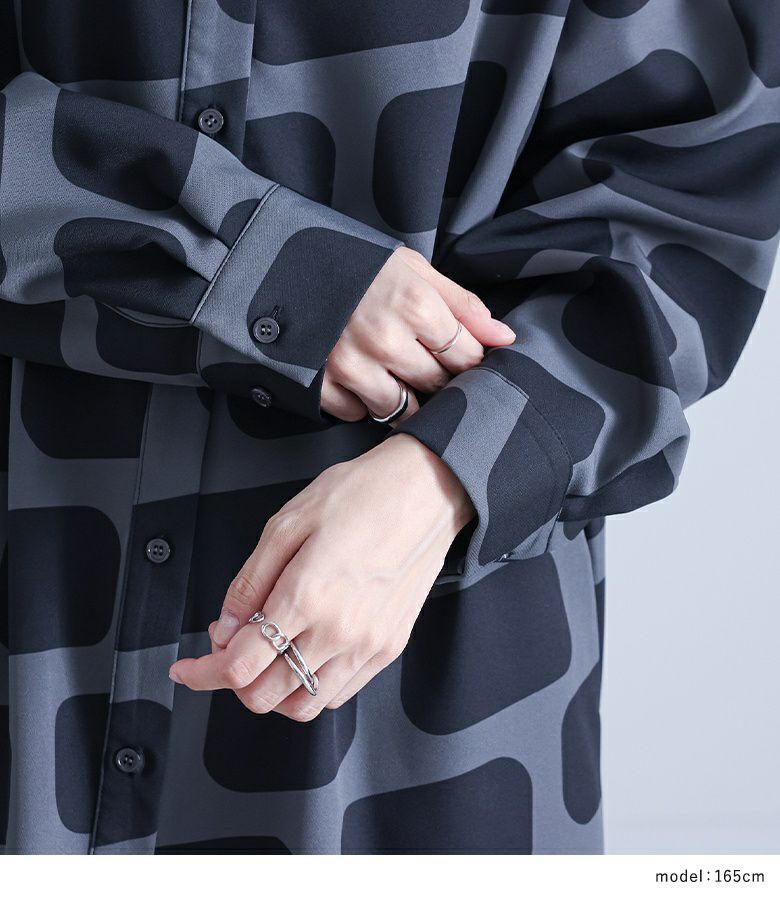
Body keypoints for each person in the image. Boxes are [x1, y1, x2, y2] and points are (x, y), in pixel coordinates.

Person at [0, 0, 777, 854]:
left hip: (427, 653)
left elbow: (698, 189)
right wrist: (274, 272)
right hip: (34, 569)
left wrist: (443, 479)